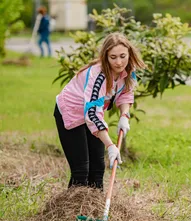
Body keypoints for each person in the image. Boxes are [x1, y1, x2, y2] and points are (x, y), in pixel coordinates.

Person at [54, 32, 146, 189]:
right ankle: (73, 211)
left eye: (123, 56)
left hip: (92, 114)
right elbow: (91, 113)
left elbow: (126, 94)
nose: (119, 62)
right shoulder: (99, 76)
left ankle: (94, 209)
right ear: (106, 57)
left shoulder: (129, 71)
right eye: (113, 57)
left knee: (97, 168)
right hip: (71, 112)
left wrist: (124, 115)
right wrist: (110, 146)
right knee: (81, 170)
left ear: (129, 53)